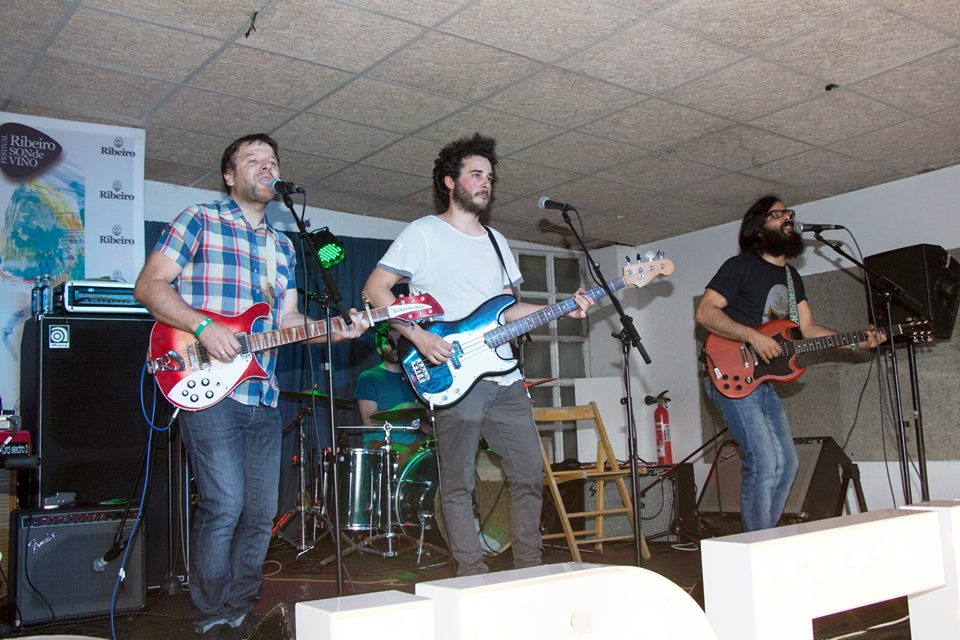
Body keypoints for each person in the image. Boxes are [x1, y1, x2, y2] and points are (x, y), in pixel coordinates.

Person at [134, 133, 365, 638]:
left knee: (262, 512)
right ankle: (211, 615)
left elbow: (284, 319)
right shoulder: (199, 220)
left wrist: (335, 328)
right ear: (230, 176)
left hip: (263, 392)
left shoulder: (283, 246)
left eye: (272, 161)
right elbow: (149, 286)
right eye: (253, 160)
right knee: (225, 504)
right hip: (206, 383)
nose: (265, 167)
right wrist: (201, 326)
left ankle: (240, 610)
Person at [363, 133, 594, 575]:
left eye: (489, 177)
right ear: (450, 182)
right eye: (475, 174)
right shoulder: (424, 232)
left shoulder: (497, 241)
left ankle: (529, 568)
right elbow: (375, 290)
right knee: (458, 482)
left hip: (504, 378)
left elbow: (507, 310)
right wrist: (417, 337)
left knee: (529, 473)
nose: (485, 183)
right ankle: (471, 574)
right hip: (451, 372)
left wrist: (566, 307)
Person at [695, 195, 882, 532]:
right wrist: (752, 336)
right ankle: (756, 545)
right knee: (764, 461)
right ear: (758, 230)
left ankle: (767, 537)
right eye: (777, 214)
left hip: (762, 381)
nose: (788, 218)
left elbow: (807, 329)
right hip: (730, 371)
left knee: (788, 463)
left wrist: (856, 340)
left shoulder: (792, 278)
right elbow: (706, 312)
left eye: (789, 213)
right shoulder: (739, 267)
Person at [353, 322, 424, 467]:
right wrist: (402, 409)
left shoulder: (415, 376)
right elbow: (369, 423)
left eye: (399, 341)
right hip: (381, 444)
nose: (394, 346)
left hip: (416, 443)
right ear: (379, 349)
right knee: (408, 459)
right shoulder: (369, 377)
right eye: (389, 341)